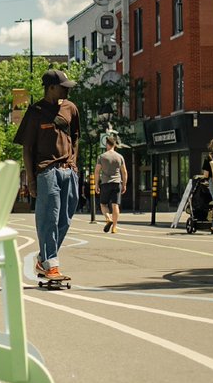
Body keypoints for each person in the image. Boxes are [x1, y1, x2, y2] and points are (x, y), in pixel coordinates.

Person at [13, 69, 81, 280]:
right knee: (49, 218)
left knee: (65, 219)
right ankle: (51, 264)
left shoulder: (71, 108)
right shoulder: (35, 112)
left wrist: (74, 163)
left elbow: (76, 137)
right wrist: (31, 180)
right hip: (46, 170)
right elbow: (26, 148)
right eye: (63, 87)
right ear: (51, 88)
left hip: (69, 170)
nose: (67, 90)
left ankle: (43, 259)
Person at [97, 133, 128, 233]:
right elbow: (124, 172)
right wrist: (124, 184)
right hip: (117, 183)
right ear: (114, 145)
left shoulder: (101, 157)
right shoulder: (119, 157)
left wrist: (96, 184)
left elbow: (97, 171)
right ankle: (114, 227)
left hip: (105, 183)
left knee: (103, 204)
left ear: (107, 144)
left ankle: (108, 218)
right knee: (115, 205)